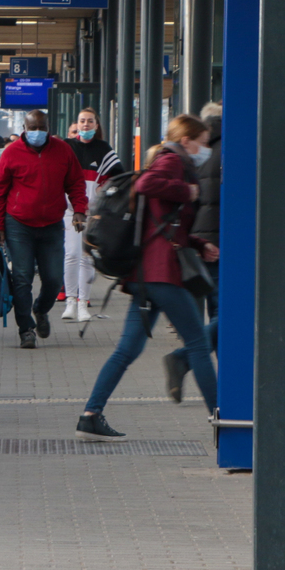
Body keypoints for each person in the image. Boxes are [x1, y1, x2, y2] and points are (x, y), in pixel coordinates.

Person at [78, 114, 220, 439]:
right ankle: (221, 420)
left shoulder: (175, 161)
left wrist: (199, 244)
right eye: (201, 141)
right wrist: (188, 192)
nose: (205, 148)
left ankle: (90, 414)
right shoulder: (172, 161)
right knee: (198, 344)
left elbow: (164, 222)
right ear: (187, 140)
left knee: (127, 350)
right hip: (161, 274)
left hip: (147, 273)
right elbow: (147, 185)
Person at [0, 110, 88, 350]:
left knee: (54, 278)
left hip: (52, 225)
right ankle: (26, 330)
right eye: (32, 128)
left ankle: (40, 309)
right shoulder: (11, 153)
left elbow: (75, 182)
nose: (37, 133)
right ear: (24, 128)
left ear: (49, 127)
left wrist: (79, 209)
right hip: (18, 225)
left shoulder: (62, 150)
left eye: (42, 128)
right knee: (22, 278)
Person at [164, 101, 222, 402]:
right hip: (220, 245)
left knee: (215, 315)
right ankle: (185, 359)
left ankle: (188, 361)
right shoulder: (231, 148)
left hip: (193, 244)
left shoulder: (190, 155)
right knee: (226, 316)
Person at [62, 108, 120, 322]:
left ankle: (82, 303)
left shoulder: (104, 149)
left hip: (92, 212)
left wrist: (103, 190)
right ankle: (69, 301)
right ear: (76, 124)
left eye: (89, 121)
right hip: (70, 210)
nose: (85, 125)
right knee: (71, 254)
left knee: (86, 258)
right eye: (82, 121)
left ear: (97, 125)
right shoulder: (67, 147)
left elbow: (119, 176)